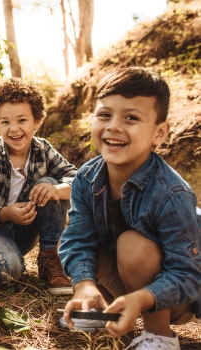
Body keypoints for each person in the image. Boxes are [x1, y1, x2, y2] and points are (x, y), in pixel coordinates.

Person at [59, 67, 201, 349]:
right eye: (104, 115)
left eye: (131, 118)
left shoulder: (172, 193)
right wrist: (84, 285)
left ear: (159, 133)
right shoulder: (86, 178)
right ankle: (101, 310)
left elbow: (187, 273)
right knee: (87, 246)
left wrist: (142, 298)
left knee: (133, 245)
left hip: (175, 295)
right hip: (126, 281)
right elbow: (77, 239)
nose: (113, 126)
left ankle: (159, 336)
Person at [0, 77, 78, 294]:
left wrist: (58, 190)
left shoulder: (43, 150)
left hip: (23, 232)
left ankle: (49, 259)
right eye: (5, 122)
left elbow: (77, 178)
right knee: (9, 272)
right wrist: (5, 213)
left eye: (22, 120)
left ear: (38, 121)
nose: (14, 129)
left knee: (49, 184)